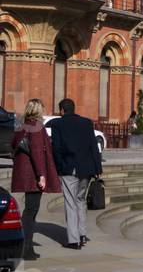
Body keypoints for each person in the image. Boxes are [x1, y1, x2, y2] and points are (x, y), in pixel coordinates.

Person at [11, 98, 61, 260]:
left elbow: (13, 144)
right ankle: (25, 249)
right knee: (30, 212)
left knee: (29, 211)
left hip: (23, 174)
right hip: (33, 175)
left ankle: (24, 247)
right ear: (39, 110)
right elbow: (38, 152)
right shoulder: (37, 126)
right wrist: (41, 175)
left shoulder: (22, 125)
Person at [50, 98, 102, 250]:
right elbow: (94, 146)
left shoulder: (57, 124)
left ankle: (73, 240)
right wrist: (98, 169)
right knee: (81, 201)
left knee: (71, 203)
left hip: (69, 168)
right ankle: (82, 234)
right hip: (87, 169)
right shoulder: (86, 123)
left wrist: (59, 168)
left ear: (62, 110)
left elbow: (57, 149)